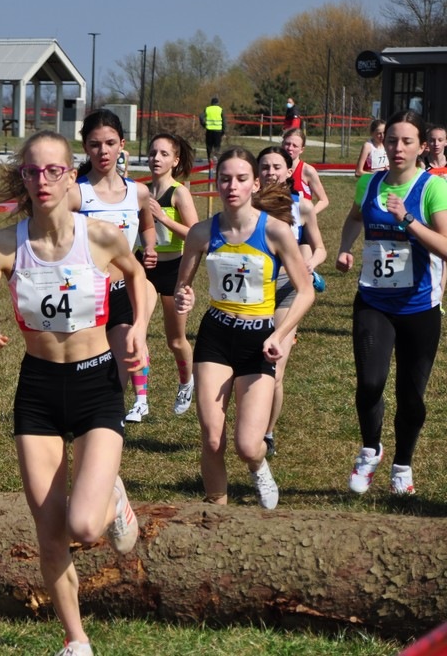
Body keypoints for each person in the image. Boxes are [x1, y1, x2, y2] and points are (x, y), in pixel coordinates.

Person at [0, 130, 147, 656]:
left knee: (84, 526)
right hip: (39, 389)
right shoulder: (4, 245)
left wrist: (138, 328)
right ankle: (77, 640)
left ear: (71, 175)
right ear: (22, 178)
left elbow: (138, 277)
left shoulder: (101, 237)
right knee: (50, 534)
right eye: (32, 171)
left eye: (53, 171)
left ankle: (113, 496)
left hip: (96, 385)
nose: (42, 180)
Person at [174, 147, 315, 509]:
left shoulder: (276, 231)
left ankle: (257, 465)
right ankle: (215, 511)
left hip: (258, 339)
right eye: (224, 179)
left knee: (248, 445)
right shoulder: (201, 233)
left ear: (254, 184)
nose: (231, 186)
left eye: (240, 179)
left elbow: (305, 292)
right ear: (216, 182)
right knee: (212, 439)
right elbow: (182, 286)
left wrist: (279, 334)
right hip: (216, 336)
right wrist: (184, 297)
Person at [336, 110, 447, 496]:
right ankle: (370, 451)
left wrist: (408, 220)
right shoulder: (368, 183)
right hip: (373, 301)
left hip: (419, 307)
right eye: (392, 140)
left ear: (421, 147)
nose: (397, 147)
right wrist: (346, 247)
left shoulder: (432, 188)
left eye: (407, 141)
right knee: (370, 382)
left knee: (410, 395)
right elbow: (354, 218)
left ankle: (403, 465)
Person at [69, 109, 156, 423]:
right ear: (85, 147)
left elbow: (148, 226)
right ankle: (82, 413)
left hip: (121, 291)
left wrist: (149, 247)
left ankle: (109, 419)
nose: (102, 151)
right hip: (84, 294)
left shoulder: (138, 192)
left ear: (122, 144)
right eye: (94, 144)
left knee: (122, 359)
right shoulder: (75, 194)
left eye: (109, 143)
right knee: (83, 362)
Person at [257, 146, 326, 457]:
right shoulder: (245, 205)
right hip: (252, 291)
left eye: (276, 167)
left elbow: (320, 248)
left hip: (288, 288)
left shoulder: (303, 207)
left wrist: (309, 264)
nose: (270, 172)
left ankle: (267, 433)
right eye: (265, 167)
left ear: (288, 172)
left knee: (275, 367)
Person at [144, 132, 199, 415]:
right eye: (153, 152)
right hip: (144, 268)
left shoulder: (179, 193)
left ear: (175, 160)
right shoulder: (141, 191)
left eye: (164, 154)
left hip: (174, 270)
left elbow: (196, 234)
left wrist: (163, 218)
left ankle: (186, 382)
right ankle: (139, 398)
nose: (156, 158)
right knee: (135, 332)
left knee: (175, 340)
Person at [281, 127, 330, 214]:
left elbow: (324, 200)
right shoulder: (273, 169)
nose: (290, 148)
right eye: (287, 144)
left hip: (301, 220)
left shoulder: (307, 171)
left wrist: (309, 215)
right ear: (282, 144)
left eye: (295, 146)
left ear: (301, 150)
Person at [200, 97, 226, 163]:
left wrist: (204, 125)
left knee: (209, 145)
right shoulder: (220, 110)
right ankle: (215, 158)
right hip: (218, 131)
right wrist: (224, 131)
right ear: (218, 103)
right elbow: (224, 121)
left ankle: (209, 158)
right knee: (217, 145)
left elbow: (201, 117)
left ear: (211, 103)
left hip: (209, 130)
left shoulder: (207, 109)